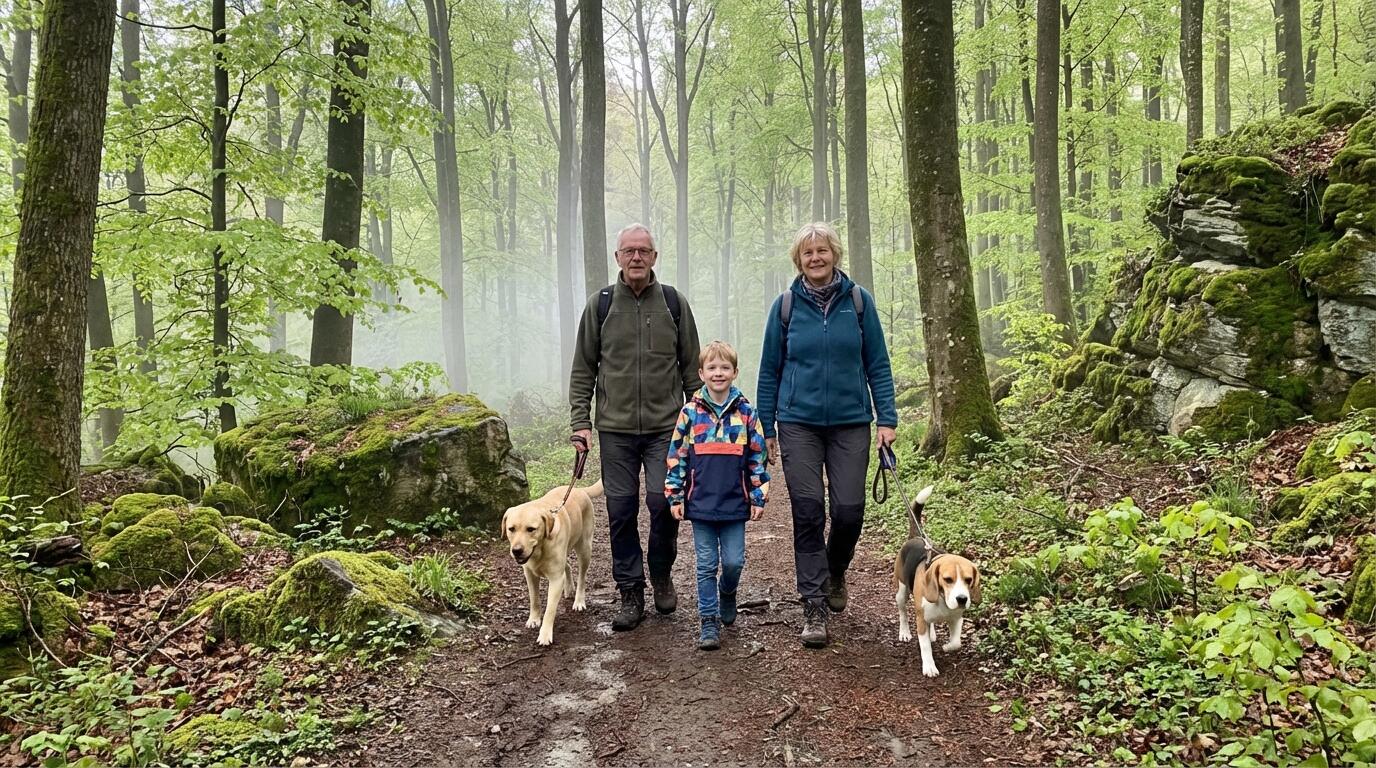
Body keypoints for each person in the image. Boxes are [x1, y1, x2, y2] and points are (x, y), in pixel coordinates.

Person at [755, 222, 898, 649]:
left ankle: (836, 569)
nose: (815, 258)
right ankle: (813, 604)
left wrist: (886, 420)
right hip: (797, 422)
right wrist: (767, 429)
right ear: (798, 260)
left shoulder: (857, 302)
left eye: (822, 251)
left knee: (850, 510)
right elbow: (769, 371)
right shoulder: (784, 308)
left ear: (834, 254)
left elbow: (878, 363)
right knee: (808, 509)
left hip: (851, 421)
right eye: (807, 253)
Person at [570, 223, 702, 631]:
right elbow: (583, 370)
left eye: (644, 251)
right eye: (629, 251)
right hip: (615, 429)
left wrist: (701, 421)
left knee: (663, 503)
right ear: (618, 258)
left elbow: (692, 371)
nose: (637, 258)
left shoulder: (674, 304)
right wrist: (581, 423)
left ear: (654, 257)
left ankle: (660, 573)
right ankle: (630, 589)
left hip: (667, 427)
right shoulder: (601, 305)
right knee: (621, 508)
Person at [664, 341, 769, 651]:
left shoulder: (747, 413)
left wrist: (758, 494)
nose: (718, 373)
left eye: (725, 368)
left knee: (734, 562)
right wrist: (675, 495)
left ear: (735, 372)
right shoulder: (689, 414)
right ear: (701, 373)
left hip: (736, 503)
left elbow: (757, 456)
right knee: (706, 564)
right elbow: (677, 455)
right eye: (712, 368)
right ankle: (708, 620)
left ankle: (728, 592)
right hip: (701, 504)